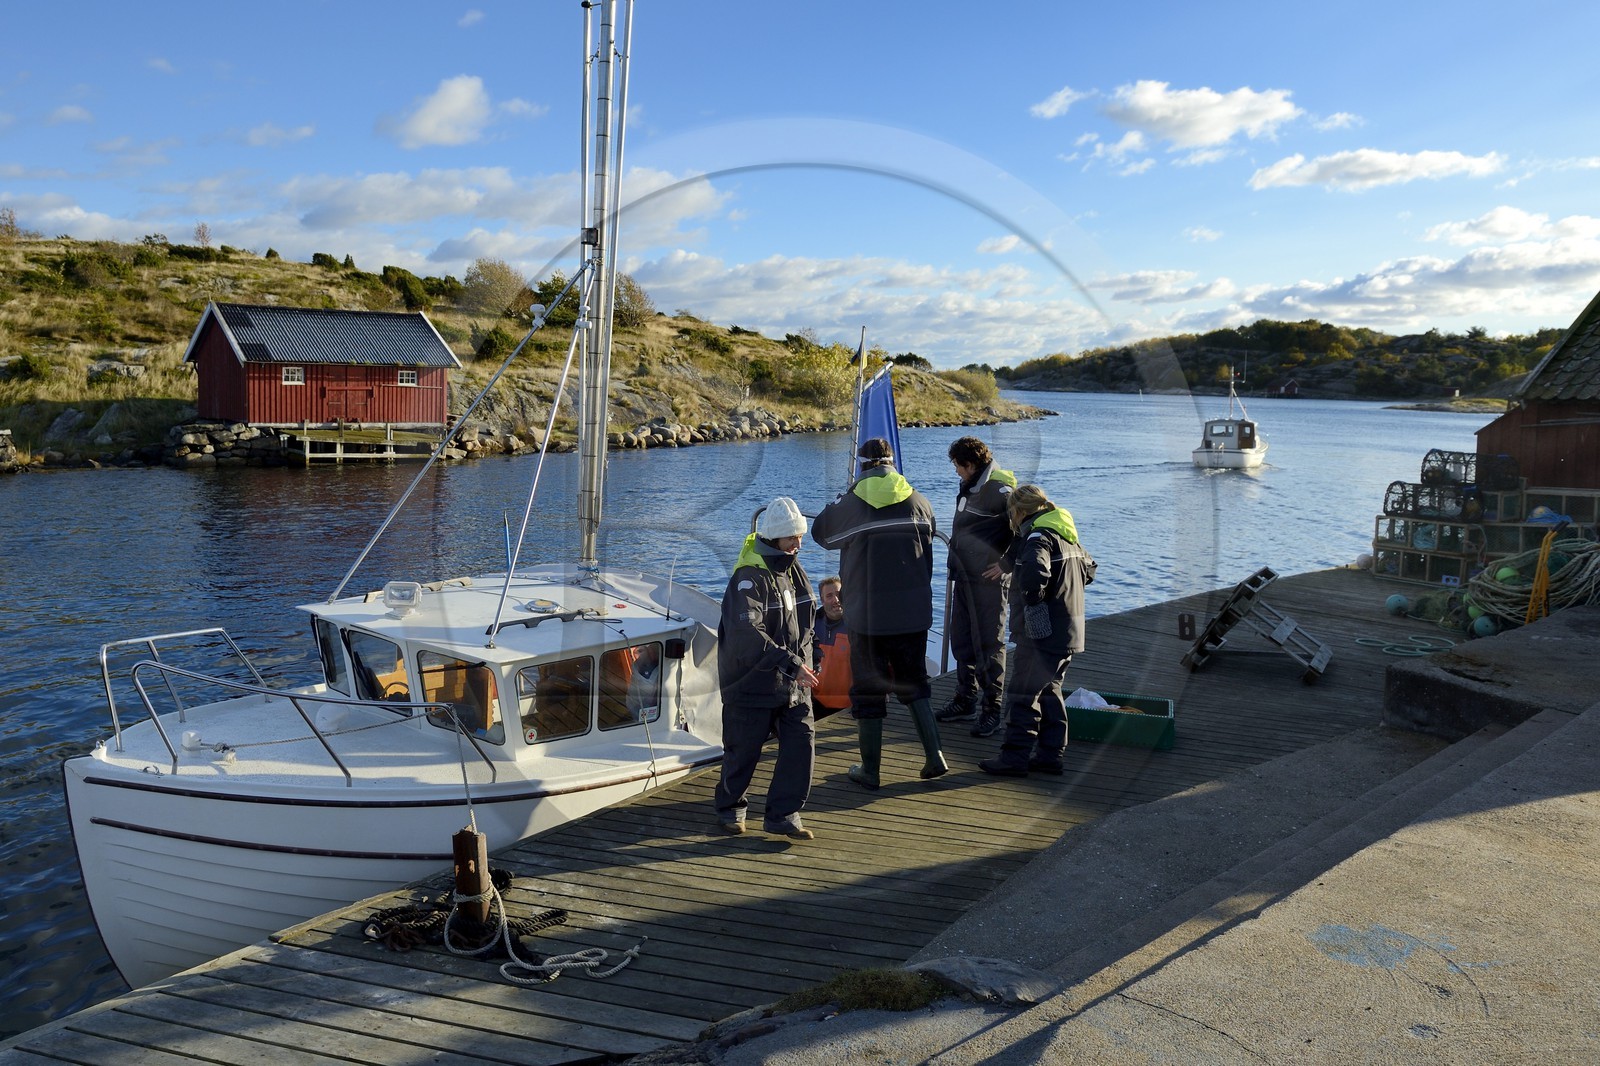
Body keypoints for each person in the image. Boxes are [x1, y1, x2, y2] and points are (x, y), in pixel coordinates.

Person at [812, 437, 946, 790]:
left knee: (869, 690)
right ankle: (935, 756)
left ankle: (870, 770)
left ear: (862, 465)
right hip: (913, 612)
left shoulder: (855, 501)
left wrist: (844, 496)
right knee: (915, 682)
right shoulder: (920, 500)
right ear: (892, 463)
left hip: (868, 615)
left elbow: (821, 533)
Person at [714, 496, 820, 839]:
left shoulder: (795, 570)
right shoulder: (748, 579)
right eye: (792, 538)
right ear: (773, 538)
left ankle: (783, 814)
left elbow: (805, 624)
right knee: (742, 751)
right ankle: (731, 808)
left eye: (800, 537)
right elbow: (747, 636)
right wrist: (791, 664)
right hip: (751, 683)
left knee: (801, 744)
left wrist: (807, 661)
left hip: (793, 682)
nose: (798, 544)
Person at [979, 484, 1095, 777]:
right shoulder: (1065, 534)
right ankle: (1050, 755)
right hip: (1070, 630)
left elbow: (1033, 575)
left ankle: (1014, 758)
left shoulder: (1038, 538)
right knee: (1050, 692)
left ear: (1019, 512)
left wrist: (1034, 604)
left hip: (1041, 634)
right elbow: (1090, 570)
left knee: (1022, 694)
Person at [937, 436, 1017, 740]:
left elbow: (1027, 526)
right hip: (965, 577)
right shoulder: (972, 484)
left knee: (989, 645)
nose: (956, 471)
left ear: (969, 464)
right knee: (962, 639)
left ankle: (991, 710)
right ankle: (965, 699)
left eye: (957, 466)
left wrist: (1007, 564)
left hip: (989, 582)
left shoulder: (1000, 490)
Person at [811, 575, 852, 720]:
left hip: (850, 707)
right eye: (829, 596)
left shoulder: (858, 626)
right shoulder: (811, 624)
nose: (836, 600)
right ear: (822, 600)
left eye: (839, 594)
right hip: (816, 701)